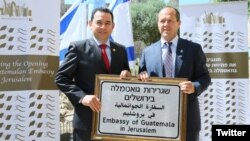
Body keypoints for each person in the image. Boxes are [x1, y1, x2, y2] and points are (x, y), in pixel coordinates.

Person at [55, 7, 131, 141]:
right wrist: (82, 97)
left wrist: (128, 75)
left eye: (107, 23)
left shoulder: (121, 50)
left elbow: (125, 78)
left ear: (113, 26)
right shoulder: (78, 48)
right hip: (86, 122)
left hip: (115, 123)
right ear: (90, 24)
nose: (103, 27)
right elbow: (61, 78)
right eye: (99, 22)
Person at [138, 6, 211, 141]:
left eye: (170, 20)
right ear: (157, 24)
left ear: (179, 23)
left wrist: (194, 86)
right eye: (162, 21)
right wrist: (141, 77)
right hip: (154, 120)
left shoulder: (193, 49)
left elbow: (205, 78)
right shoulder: (147, 52)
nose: (166, 24)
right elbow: (141, 77)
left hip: (187, 119)